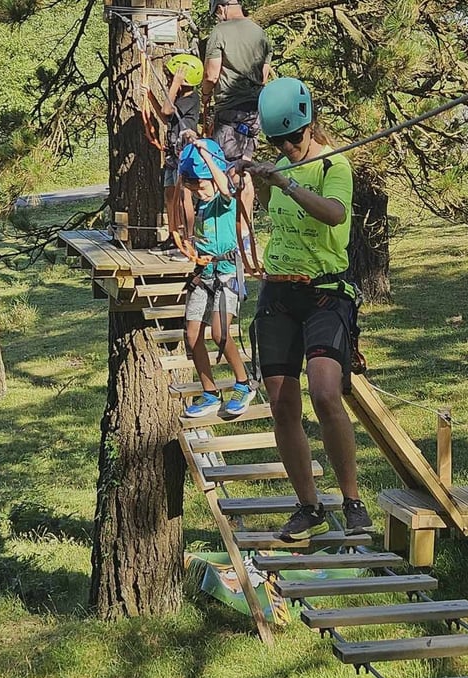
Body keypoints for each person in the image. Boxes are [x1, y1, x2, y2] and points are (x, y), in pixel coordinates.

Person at [241, 77, 373, 542]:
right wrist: (254, 182)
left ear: (310, 124)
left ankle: (352, 499)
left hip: (325, 293)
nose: (290, 147)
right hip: (278, 293)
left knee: (324, 392)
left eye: (295, 138)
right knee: (281, 403)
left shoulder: (333, 165)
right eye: (281, 141)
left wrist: (288, 183)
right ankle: (308, 506)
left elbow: (335, 214)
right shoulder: (279, 167)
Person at [178, 138, 256, 418]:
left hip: (226, 273)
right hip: (205, 274)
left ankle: (244, 383)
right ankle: (209, 391)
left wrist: (204, 153)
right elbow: (183, 193)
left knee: (220, 333)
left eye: (201, 185)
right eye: (193, 187)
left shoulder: (224, 199)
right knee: (192, 334)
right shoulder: (200, 202)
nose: (198, 192)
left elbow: (223, 185)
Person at [202, 0, 271, 247]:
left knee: (228, 169)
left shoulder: (220, 32)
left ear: (220, 8)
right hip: (255, 109)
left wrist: (205, 94)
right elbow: (263, 74)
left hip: (230, 108)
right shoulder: (258, 32)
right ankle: (246, 230)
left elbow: (211, 73)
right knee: (247, 167)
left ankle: (230, 233)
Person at [144, 53, 202, 258]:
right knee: (170, 195)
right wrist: (150, 97)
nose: (169, 79)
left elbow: (168, 110)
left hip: (185, 153)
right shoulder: (180, 98)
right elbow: (165, 117)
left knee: (183, 196)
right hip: (172, 154)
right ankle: (173, 235)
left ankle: (188, 238)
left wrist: (175, 83)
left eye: (173, 77)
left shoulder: (192, 99)